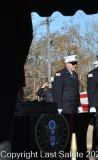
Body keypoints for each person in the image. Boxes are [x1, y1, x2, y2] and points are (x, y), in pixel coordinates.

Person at [0, 4, 33, 159]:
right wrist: (16, 62)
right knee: (4, 132)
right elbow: (26, 34)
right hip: (8, 73)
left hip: (8, 74)